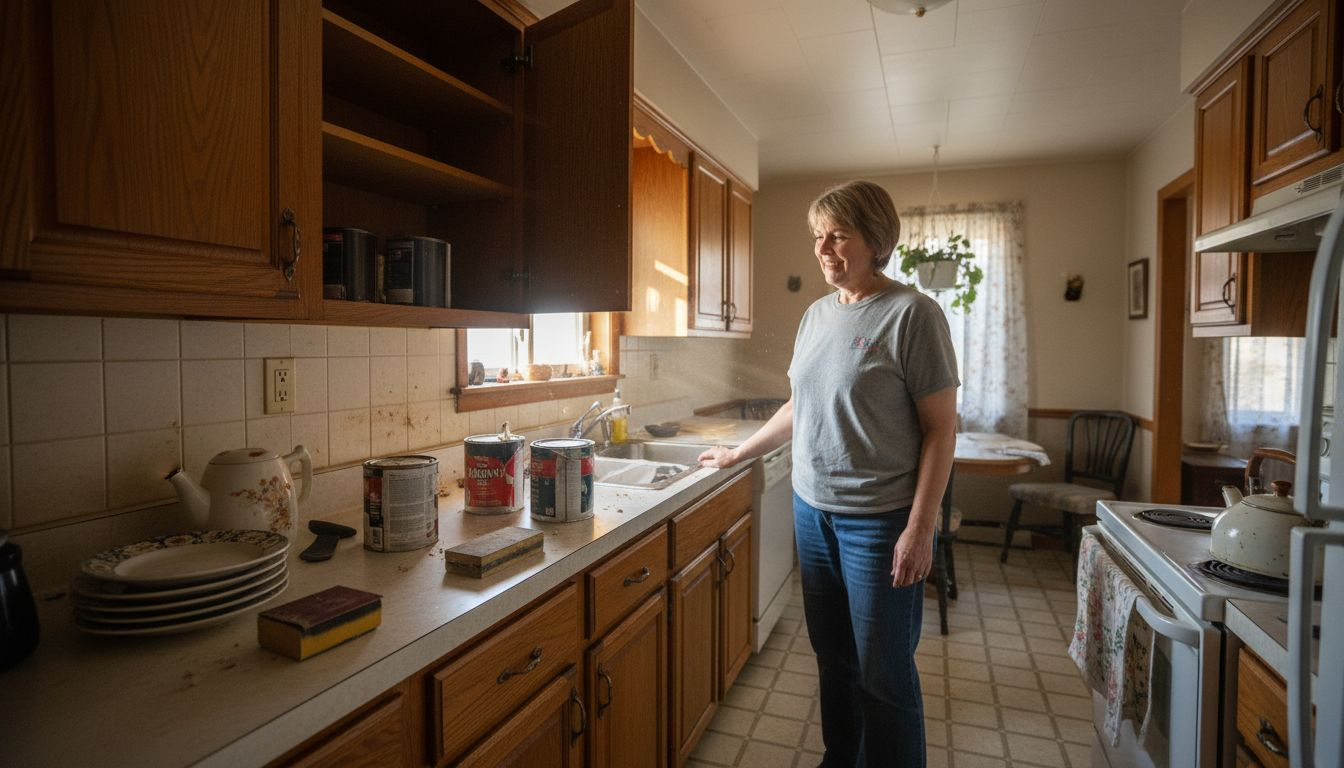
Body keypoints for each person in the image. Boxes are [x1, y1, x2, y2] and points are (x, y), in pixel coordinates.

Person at [698, 180, 959, 767]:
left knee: (883, 675)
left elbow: (942, 429)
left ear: (876, 239)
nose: (823, 248)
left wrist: (921, 529)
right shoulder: (816, 315)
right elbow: (800, 405)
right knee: (834, 660)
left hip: (880, 522)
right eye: (819, 236)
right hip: (812, 511)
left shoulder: (913, 314)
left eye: (838, 235)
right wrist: (741, 452)